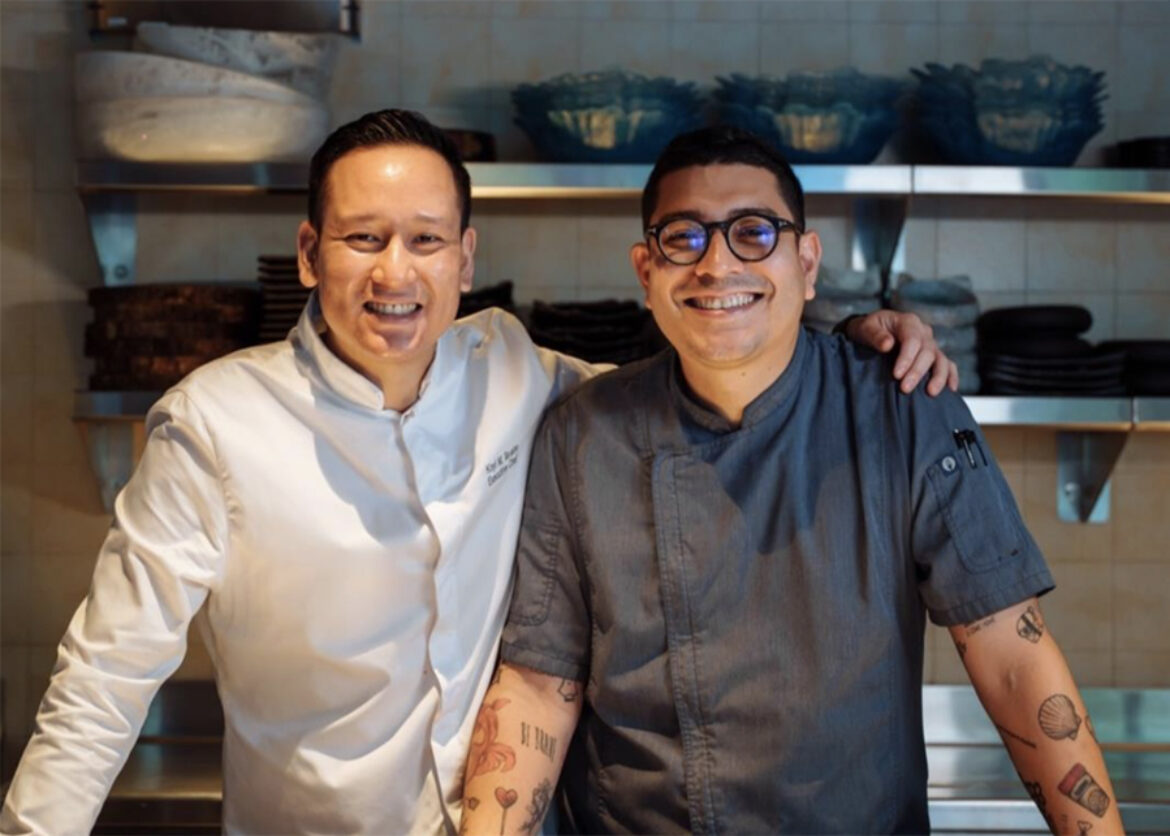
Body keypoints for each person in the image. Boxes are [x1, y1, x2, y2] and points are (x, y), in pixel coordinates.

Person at [0, 111, 956, 836]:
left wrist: (846, 345)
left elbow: (697, 376)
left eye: (425, 240)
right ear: (309, 254)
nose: (396, 274)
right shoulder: (212, 424)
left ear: (465, 260)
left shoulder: (515, 369)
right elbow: (106, 675)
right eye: (363, 239)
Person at [460, 126, 1124, 836]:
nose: (717, 265)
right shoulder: (581, 434)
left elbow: (1012, 656)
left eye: (754, 232)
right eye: (683, 238)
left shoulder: (905, 406)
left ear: (807, 264)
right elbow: (539, 687)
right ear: (646, 272)